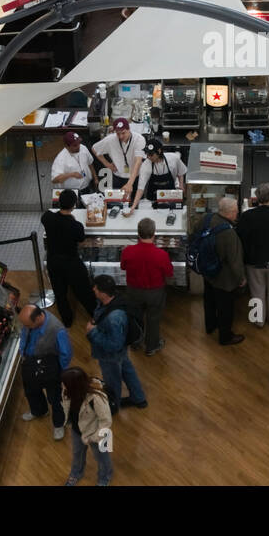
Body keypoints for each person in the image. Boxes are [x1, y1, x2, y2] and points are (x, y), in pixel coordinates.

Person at [86, 275, 148, 412]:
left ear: (102, 293)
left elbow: (113, 345)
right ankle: (138, 398)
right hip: (121, 350)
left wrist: (92, 332)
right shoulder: (116, 300)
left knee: (112, 381)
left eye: (95, 289)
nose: (93, 291)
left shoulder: (115, 318)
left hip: (110, 355)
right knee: (128, 370)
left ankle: (113, 406)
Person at [236, 183, 269, 327]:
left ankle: (258, 320)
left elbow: (240, 238)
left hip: (254, 262)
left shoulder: (247, 216)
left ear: (256, 197)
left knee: (257, 292)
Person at [42, 189, 97, 327]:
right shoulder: (75, 226)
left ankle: (67, 320)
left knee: (60, 293)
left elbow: (48, 215)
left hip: (53, 261)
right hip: (71, 263)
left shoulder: (47, 218)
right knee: (84, 291)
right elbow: (81, 239)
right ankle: (95, 313)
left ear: (59, 202)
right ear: (74, 205)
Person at [18, 303, 73, 438]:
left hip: (50, 367)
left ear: (37, 319)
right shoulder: (29, 323)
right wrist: (22, 352)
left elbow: (66, 353)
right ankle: (39, 411)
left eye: (28, 325)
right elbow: (24, 336)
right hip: (30, 364)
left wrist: (61, 374)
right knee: (31, 391)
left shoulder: (56, 329)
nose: (26, 328)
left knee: (55, 398)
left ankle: (59, 424)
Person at [119, 217, 173, 355]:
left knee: (136, 317)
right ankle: (152, 346)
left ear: (138, 233)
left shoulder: (128, 251)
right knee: (153, 319)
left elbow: (123, 267)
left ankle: (136, 342)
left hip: (133, 291)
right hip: (155, 292)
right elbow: (169, 273)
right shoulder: (162, 255)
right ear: (154, 233)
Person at [202, 197, 246, 345]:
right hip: (224, 277)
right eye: (236, 211)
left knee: (209, 300)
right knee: (225, 307)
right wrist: (241, 278)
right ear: (230, 213)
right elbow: (234, 261)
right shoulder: (229, 233)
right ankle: (225, 336)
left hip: (207, 271)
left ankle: (210, 326)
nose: (237, 213)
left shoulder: (206, 219)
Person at [60, 366, 114, 486]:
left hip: (97, 433)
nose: (62, 386)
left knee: (102, 457)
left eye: (65, 384)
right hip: (77, 430)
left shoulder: (97, 397)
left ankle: (104, 478)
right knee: (77, 454)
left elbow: (106, 421)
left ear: (74, 385)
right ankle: (76, 473)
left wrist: (94, 437)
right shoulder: (67, 392)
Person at [129, 138, 187, 209]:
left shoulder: (173, 158)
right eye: (147, 154)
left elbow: (181, 172)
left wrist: (181, 185)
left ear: (159, 151)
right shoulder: (146, 165)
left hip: (170, 195)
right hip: (153, 198)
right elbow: (140, 188)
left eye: (151, 154)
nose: (148, 157)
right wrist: (133, 206)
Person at [92, 117, 145, 193]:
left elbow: (138, 161)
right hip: (118, 177)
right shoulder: (110, 140)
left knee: (135, 201)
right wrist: (107, 164)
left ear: (129, 129)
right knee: (118, 202)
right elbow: (94, 149)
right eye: (118, 133)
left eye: (123, 133)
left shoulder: (139, 139)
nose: (121, 136)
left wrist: (130, 183)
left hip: (135, 177)